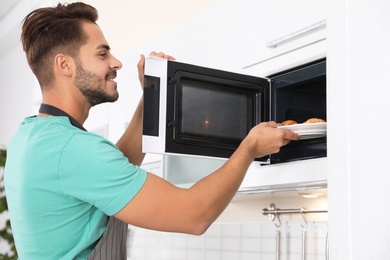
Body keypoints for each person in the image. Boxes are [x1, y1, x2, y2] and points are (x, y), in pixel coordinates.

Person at [4, 2, 300, 259]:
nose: (116, 62)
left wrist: (153, 94)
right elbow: (195, 215)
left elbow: (113, 170)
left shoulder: (33, 135)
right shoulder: (73, 149)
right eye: (102, 54)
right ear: (64, 65)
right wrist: (249, 148)